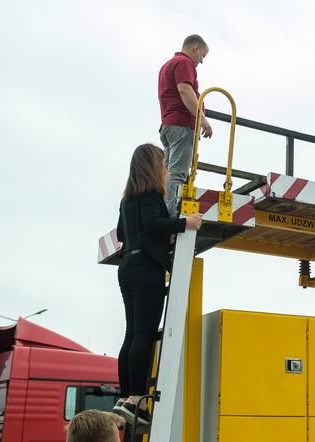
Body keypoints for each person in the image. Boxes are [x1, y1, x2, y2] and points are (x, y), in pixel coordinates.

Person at [114, 143, 203, 425]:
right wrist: (184, 223)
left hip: (127, 266)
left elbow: (119, 233)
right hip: (145, 270)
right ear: (154, 166)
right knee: (145, 334)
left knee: (131, 333)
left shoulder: (127, 200)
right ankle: (136, 401)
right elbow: (152, 224)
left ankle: (125, 395)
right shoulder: (151, 194)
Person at [158, 34, 213, 216]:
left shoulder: (167, 65)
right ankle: (172, 217)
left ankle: (163, 211)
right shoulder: (184, 63)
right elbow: (184, 89)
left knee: (167, 173)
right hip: (182, 125)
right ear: (195, 48)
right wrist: (201, 118)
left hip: (169, 126)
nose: (201, 61)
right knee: (178, 174)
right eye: (202, 56)